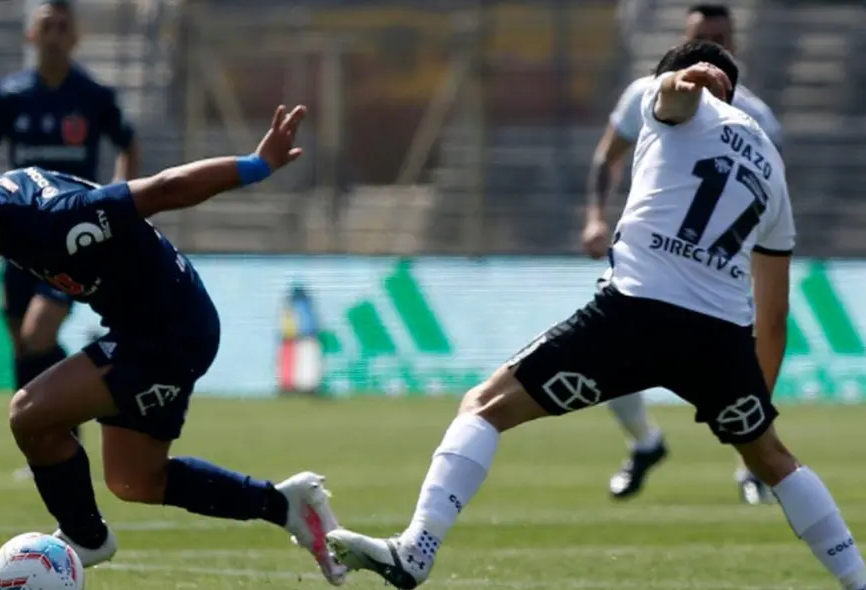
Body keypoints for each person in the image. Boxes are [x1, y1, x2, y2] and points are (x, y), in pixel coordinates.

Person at [326, 41, 866, 590]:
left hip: (635, 314)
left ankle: (417, 548)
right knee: (772, 457)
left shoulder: (672, 101)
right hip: (719, 338)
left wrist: (685, 80)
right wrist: (756, 402)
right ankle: (857, 578)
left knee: (485, 405)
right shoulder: (773, 167)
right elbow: (773, 315)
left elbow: (673, 97)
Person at [0, 104, 347, 585]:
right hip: (145, 327)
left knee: (29, 414)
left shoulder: (55, 220)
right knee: (134, 480)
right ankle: (285, 504)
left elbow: (163, 189)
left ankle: (83, 537)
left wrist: (258, 164)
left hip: (170, 329)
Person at [581, 3, 782, 503]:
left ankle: (751, 463)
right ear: (685, 39)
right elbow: (608, 156)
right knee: (606, 356)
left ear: (734, 44)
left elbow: (771, 206)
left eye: (720, 36)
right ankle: (646, 443)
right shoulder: (647, 94)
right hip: (649, 262)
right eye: (702, 35)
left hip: (719, 275)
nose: (713, 43)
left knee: (744, 373)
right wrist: (594, 216)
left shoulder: (757, 117)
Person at [0, 0, 140, 479]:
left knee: (39, 333)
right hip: (17, 234)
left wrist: (117, 202)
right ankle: (44, 445)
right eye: (47, 26)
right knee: (21, 342)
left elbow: (129, 144)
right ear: (31, 36)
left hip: (72, 238)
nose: (54, 35)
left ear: (75, 37)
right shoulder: (11, 94)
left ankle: (77, 421)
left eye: (63, 27)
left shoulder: (94, 95)